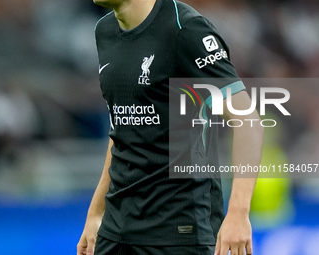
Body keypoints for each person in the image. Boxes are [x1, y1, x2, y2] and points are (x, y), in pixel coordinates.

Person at [77, 0, 264, 254]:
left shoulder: (185, 29)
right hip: (117, 230)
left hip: (180, 231)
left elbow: (248, 121)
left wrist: (238, 214)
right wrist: (96, 213)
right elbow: (122, 128)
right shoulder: (105, 31)